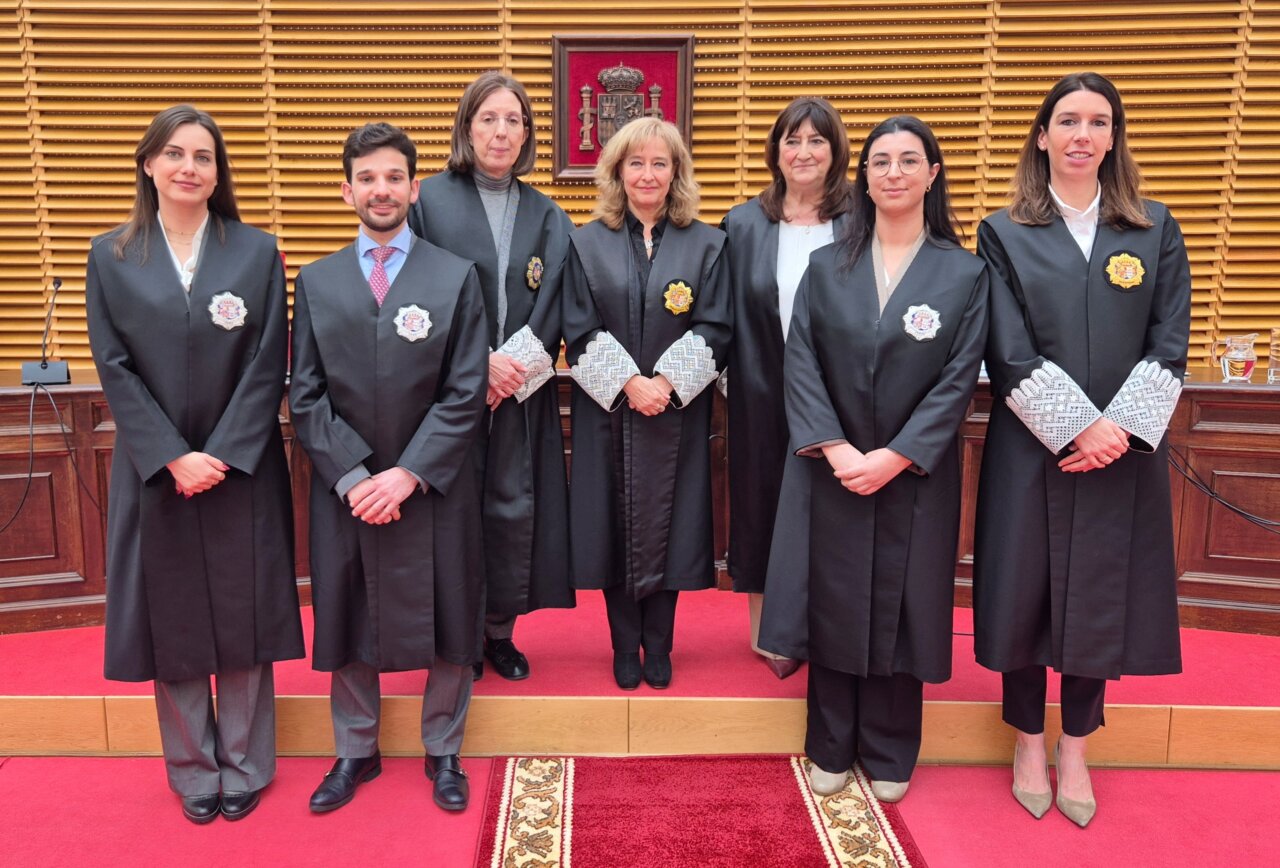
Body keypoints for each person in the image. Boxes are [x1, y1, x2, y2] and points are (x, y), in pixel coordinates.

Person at [973, 72, 1191, 828]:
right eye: (1067, 120)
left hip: (1122, 456)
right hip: (1034, 447)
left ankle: (1076, 745)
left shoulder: (1154, 228)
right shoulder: (1004, 232)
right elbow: (1007, 348)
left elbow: (1169, 343)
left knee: (1099, 596)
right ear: (1042, 136)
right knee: (1025, 594)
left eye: (1098, 122)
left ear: (1113, 138)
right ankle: (1028, 740)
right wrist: (1075, 426)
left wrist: (1119, 431)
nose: (1082, 135)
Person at [759, 115, 989, 804]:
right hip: (830, 468)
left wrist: (895, 456)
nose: (893, 172)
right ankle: (829, 741)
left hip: (913, 473)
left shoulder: (964, 272)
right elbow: (800, 361)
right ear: (865, 175)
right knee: (829, 598)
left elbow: (960, 378)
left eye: (909, 160)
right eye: (881, 161)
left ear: (932, 174)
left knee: (904, 604)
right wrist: (835, 448)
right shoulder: (827, 266)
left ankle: (891, 746)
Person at [86, 104, 303, 824]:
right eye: (174, 154)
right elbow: (114, 368)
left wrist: (225, 453)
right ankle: (192, 770)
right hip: (157, 476)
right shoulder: (112, 256)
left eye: (203, 156)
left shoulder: (255, 251)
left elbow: (270, 360)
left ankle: (244, 764)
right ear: (148, 164)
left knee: (242, 619)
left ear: (218, 172)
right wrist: (173, 456)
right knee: (173, 621)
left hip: (241, 469)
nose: (188, 167)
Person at [289, 122, 489, 814]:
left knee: (452, 614)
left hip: (434, 485)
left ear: (414, 186)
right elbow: (304, 395)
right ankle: (355, 749)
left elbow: (467, 391)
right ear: (346, 190)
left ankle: (444, 749)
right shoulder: (315, 282)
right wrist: (352, 476)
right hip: (346, 490)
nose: (381, 189)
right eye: (367, 177)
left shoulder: (455, 276)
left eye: (394, 177)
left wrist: (407, 474)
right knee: (346, 612)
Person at [408, 72, 575, 682]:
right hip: (447, 395)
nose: (501, 131)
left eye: (514, 120)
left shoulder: (548, 214)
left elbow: (557, 302)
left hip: (519, 394)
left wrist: (511, 371)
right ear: (467, 125)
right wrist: (475, 366)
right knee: (452, 513)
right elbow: (410, 297)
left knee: (510, 510)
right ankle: (453, 635)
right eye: (489, 118)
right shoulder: (425, 202)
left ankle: (498, 633)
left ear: (527, 133)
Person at [562, 117, 731, 691]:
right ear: (616, 170)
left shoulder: (709, 243)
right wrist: (630, 383)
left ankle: (659, 646)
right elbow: (576, 329)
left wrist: (666, 383)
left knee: (673, 525)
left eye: (660, 163)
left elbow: (717, 325)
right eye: (636, 162)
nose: (648, 174)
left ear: (676, 171)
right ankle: (622, 647)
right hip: (607, 411)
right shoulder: (584, 243)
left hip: (677, 415)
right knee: (612, 527)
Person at [720, 97, 855, 679]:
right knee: (762, 504)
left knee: (834, 507)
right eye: (792, 140)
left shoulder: (860, 219)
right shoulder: (744, 222)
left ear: (836, 151)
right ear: (776, 151)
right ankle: (768, 631)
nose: (804, 152)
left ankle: (830, 625)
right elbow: (722, 312)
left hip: (843, 393)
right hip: (759, 388)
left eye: (816, 140)